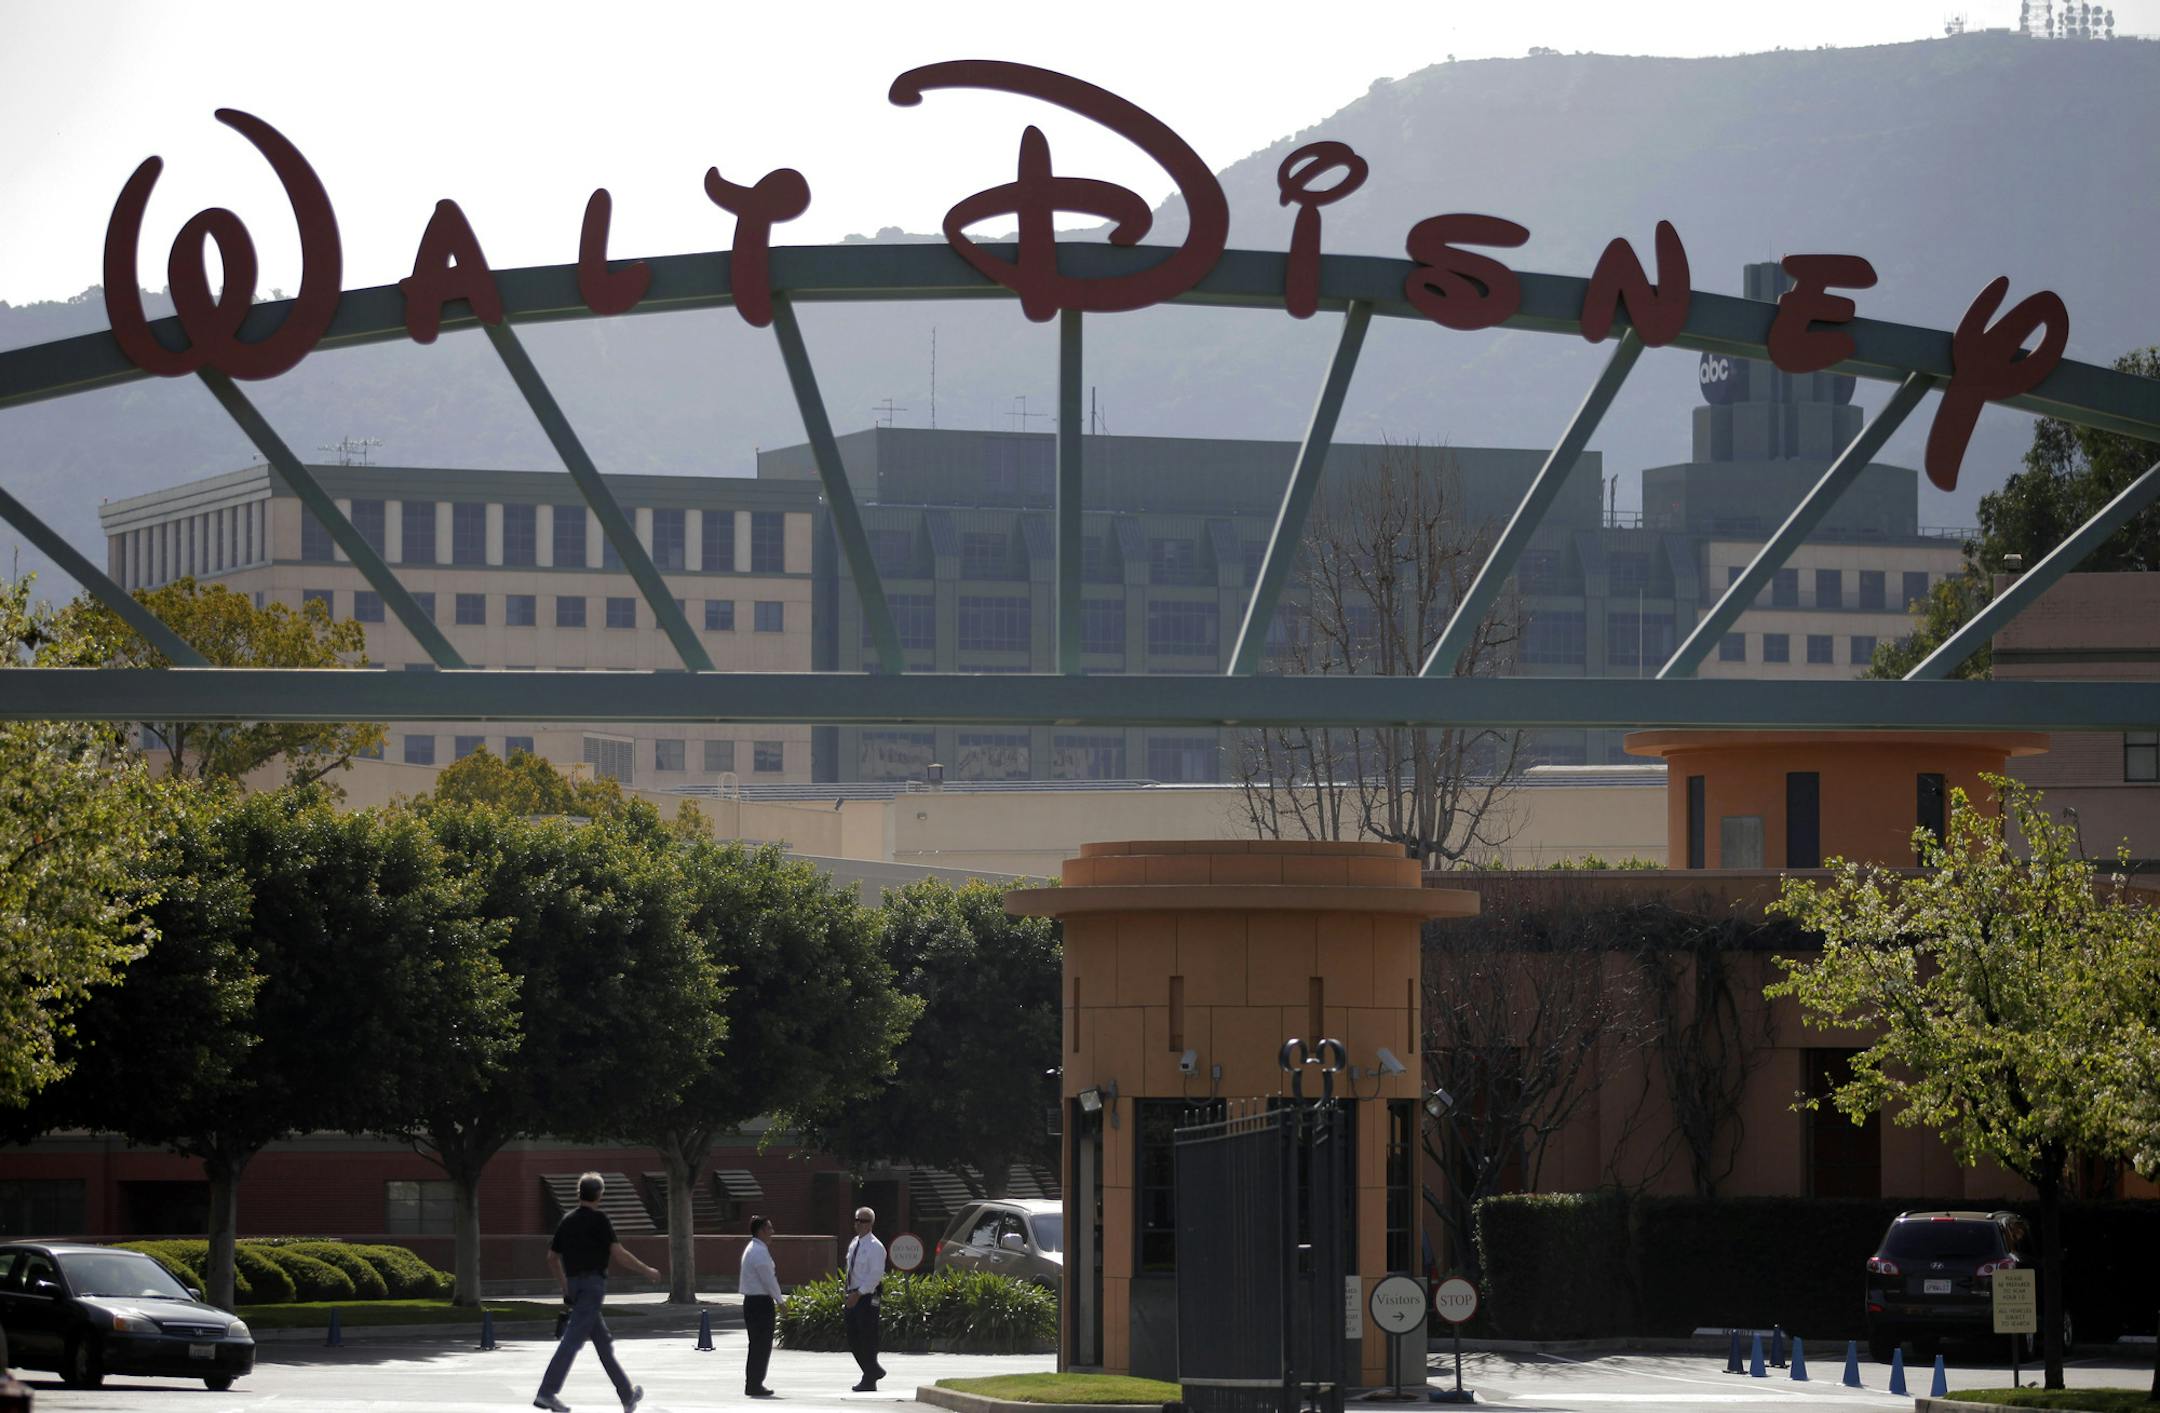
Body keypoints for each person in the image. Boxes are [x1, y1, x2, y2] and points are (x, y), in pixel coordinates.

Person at [533, 1172, 661, 1413]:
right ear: (600, 1194)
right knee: (572, 1340)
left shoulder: (567, 1220)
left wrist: (565, 1286)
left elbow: (552, 1257)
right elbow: (619, 1254)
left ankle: (627, 1396)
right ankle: (547, 1392)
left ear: (579, 1193)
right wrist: (647, 1270)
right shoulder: (600, 1220)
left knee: (603, 1344)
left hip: (575, 1285)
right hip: (593, 1286)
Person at [842, 1205, 888, 1393]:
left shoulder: (876, 1247)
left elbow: (875, 1275)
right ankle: (873, 1370)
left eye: (863, 1221)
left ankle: (869, 1378)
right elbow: (850, 1270)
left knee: (867, 1336)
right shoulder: (854, 1243)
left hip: (867, 1296)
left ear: (871, 1224)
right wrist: (847, 1291)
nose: (859, 1224)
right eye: (857, 1220)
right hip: (852, 1293)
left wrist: (858, 1294)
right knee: (853, 1337)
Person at [739, 1215, 783, 1398]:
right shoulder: (759, 1252)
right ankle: (755, 1383)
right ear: (761, 1231)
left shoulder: (753, 1248)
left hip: (753, 1302)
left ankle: (754, 1382)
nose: (772, 1232)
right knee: (761, 1345)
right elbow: (768, 1279)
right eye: (769, 1228)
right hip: (760, 1303)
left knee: (757, 1344)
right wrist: (780, 1301)